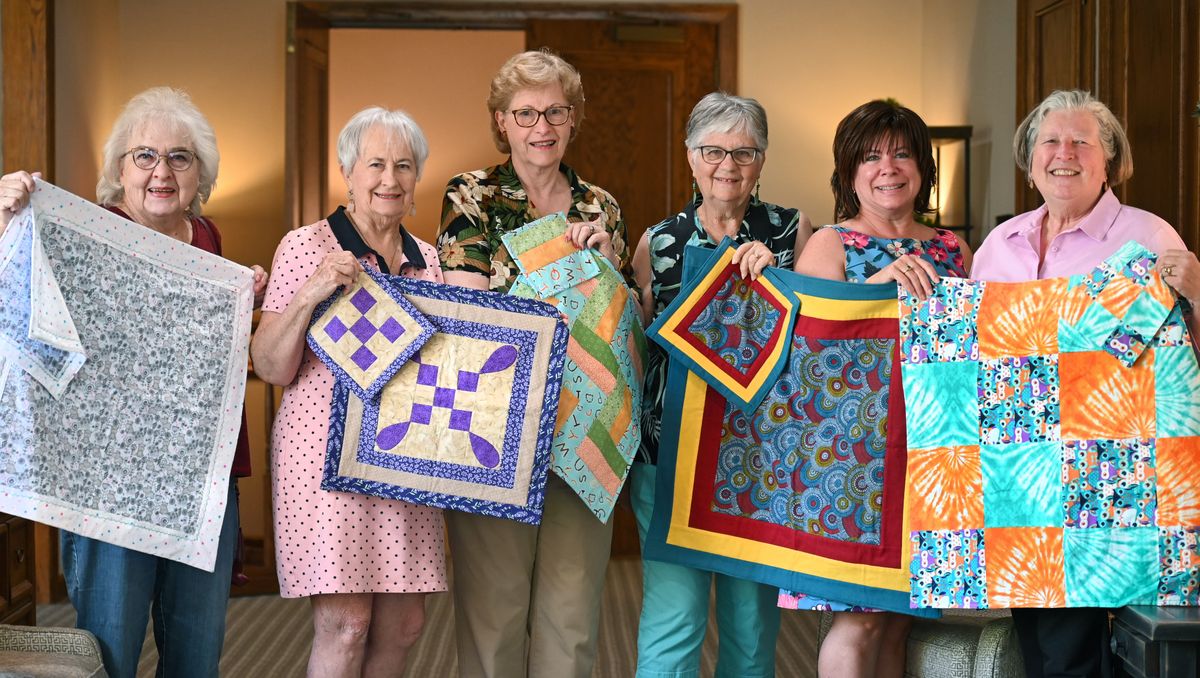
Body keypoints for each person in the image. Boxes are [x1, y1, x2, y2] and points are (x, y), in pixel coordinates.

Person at [0, 86, 268, 678]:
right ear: (119, 170)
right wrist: (5, 218)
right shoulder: (85, 235)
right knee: (110, 655)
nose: (161, 172)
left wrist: (240, 292)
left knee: (197, 657)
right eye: (144, 155)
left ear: (201, 174)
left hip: (199, 485)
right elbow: (21, 309)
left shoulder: (209, 242)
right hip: (112, 484)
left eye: (180, 157)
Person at [972, 89, 1200, 678]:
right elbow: (971, 356)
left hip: (1117, 478)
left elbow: (1188, 361)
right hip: (1021, 472)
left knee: (1085, 646)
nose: (1063, 153)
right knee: (1041, 640)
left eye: (1081, 142)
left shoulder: (1148, 238)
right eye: (1050, 141)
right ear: (1029, 162)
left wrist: (1197, 295)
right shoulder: (1001, 246)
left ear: (1109, 161)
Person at [435, 49, 626, 678]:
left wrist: (603, 265)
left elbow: (615, 322)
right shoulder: (471, 194)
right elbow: (467, 308)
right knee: (494, 612)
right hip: (496, 422)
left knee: (571, 617)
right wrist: (558, 270)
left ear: (573, 120)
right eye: (524, 114)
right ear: (501, 122)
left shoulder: (601, 207)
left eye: (554, 112)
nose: (540, 127)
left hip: (583, 422)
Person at [250, 107, 446, 677]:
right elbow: (270, 365)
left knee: (405, 625)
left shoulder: (426, 258)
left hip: (406, 456)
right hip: (326, 460)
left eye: (404, 166)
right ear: (347, 172)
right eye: (376, 164)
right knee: (347, 622)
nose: (390, 179)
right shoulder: (305, 245)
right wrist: (312, 291)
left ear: (417, 178)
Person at [630, 91, 812, 678]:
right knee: (673, 619)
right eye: (713, 150)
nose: (727, 165)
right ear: (689, 156)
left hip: (759, 460)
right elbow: (639, 347)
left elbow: (816, 342)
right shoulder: (657, 242)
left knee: (752, 628)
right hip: (672, 455)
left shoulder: (791, 232)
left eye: (744, 151)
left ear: (762, 160)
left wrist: (781, 279)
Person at [790, 99, 972, 678]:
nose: (887, 167)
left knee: (899, 619)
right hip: (855, 454)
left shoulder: (953, 249)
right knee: (858, 620)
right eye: (870, 156)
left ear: (922, 166)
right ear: (848, 173)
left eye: (901, 153)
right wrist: (874, 285)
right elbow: (809, 358)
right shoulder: (830, 245)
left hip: (936, 447)